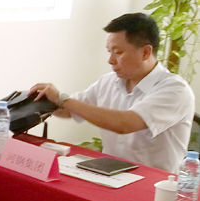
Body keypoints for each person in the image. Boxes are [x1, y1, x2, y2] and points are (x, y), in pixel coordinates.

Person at [31, 13, 195, 173]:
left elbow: (125, 123)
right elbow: (68, 110)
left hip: (154, 184)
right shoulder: (108, 81)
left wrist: (63, 99)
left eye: (118, 52)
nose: (110, 60)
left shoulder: (175, 89)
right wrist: (39, 100)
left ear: (145, 52)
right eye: (109, 51)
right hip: (109, 175)